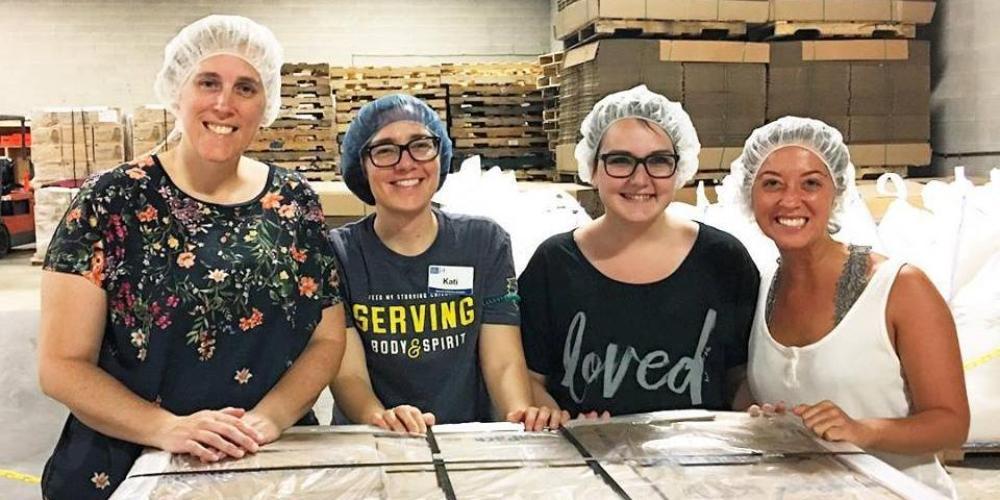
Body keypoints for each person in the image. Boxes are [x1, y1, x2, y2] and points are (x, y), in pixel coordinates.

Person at [37, 15, 346, 499]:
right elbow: (61, 364)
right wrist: (167, 429)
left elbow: (326, 340)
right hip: (127, 467)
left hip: (264, 465)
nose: (224, 103)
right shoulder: (110, 201)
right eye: (208, 82)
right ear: (177, 91)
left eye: (246, 87)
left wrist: (270, 419)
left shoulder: (293, 202)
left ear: (266, 104)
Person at [735, 116, 969, 497]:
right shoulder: (764, 288)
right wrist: (772, 423)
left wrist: (862, 430)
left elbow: (951, 423)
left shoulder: (899, 288)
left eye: (811, 183)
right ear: (749, 194)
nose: (790, 199)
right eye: (772, 184)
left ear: (837, 191)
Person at [518, 85, 760, 418]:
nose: (639, 179)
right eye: (620, 161)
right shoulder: (554, 264)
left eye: (658, 161)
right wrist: (553, 417)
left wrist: (761, 416)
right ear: (592, 168)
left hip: (698, 465)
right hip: (588, 462)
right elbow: (531, 378)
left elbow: (739, 376)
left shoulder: (723, 260)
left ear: (680, 169)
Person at [328, 94, 562, 433]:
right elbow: (347, 374)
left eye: (421, 145)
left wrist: (520, 417)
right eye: (384, 150)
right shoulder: (340, 254)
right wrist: (380, 419)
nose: (405, 163)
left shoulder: (483, 243)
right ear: (360, 167)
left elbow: (503, 361)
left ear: (442, 156)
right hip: (373, 441)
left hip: (464, 441)